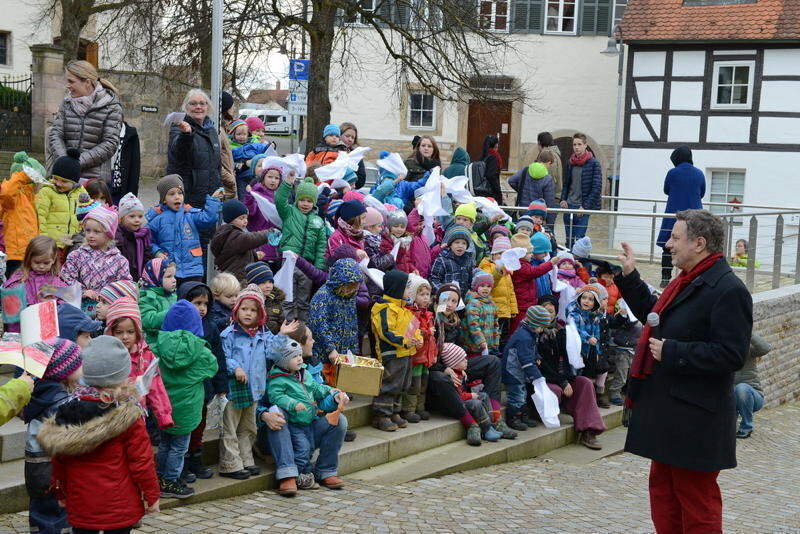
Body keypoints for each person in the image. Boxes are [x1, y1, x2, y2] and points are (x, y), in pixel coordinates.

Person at [615, 209, 752, 534]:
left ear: (699, 243)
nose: (668, 244)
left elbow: (732, 354)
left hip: (696, 420)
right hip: (670, 414)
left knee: (697, 504)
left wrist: (673, 352)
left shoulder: (728, 289)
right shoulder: (687, 280)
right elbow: (657, 318)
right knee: (664, 496)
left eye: (675, 238)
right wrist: (631, 277)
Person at [37, 336, 160, 533]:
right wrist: (151, 496)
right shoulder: (128, 416)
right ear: (123, 375)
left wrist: (60, 492)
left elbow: (59, 461)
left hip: (81, 503)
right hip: (120, 506)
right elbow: (142, 462)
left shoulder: (67, 410)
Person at [220, 285, 298, 479]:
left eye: (253, 310)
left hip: (255, 388)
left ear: (260, 313)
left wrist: (282, 335)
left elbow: (273, 354)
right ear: (237, 310)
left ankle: (246, 459)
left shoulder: (264, 334)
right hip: (235, 389)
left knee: (248, 427)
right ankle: (230, 463)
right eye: (244, 309)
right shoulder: (229, 334)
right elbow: (223, 356)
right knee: (230, 426)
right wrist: (235, 368)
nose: (248, 313)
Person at [267, 335, 349, 490]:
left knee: (310, 445)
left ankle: (322, 471)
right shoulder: (278, 378)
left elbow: (316, 389)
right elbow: (275, 396)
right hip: (295, 424)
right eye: (294, 357)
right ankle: (299, 474)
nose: (299, 359)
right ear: (283, 361)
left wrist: (332, 392)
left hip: (310, 420)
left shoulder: (305, 373)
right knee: (303, 448)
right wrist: (292, 404)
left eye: (299, 355)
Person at [154, 302, 219, 498]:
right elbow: (212, 368)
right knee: (179, 447)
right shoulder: (202, 353)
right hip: (188, 408)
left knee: (165, 444)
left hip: (164, 408)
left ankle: (160, 477)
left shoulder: (157, 348)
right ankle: (171, 481)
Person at [22, 339, 82, 533]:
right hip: (55, 469)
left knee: (40, 513)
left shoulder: (41, 394)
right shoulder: (62, 402)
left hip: (36, 467)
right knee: (58, 517)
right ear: (64, 370)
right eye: (78, 364)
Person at [535, 299, 606, 449]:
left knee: (585, 383)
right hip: (543, 379)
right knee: (555, 390)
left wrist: (580, 355)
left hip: (563, 376)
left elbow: (568, 359)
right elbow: (541, 366)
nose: (548, 314)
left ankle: (589, 430)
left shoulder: (562, 331)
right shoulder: (534, 333)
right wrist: (562, 382)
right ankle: (541, 413)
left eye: (551, 311)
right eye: (544, 310)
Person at [105, 297, 174, 433]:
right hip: (110, 419)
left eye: (130, 332)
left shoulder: (146, 356)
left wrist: (164, 416)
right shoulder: (105, 356)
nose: (125, 337)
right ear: (111, 332)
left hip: (138, 417)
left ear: (138, 331)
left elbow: (156, 387)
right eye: (119, 332)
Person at [47, 60, 122, 182]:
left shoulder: (111, 106)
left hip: (93, 180)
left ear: (87, 82)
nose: (67, 85)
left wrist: (77, 163)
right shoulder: (66, 103)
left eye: (71, 81)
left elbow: (110, 144)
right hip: (63, 176)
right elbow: (55, 134)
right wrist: (64, 161)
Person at [146, 174, 223, 283]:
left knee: (193, 292)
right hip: (169, 270)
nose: (177, 197)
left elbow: (208, 218)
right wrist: (157, 252)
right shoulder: (158, 219)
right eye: (171, 194)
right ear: (164, 199)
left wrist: (213, 200)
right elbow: (147, 239)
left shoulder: (190, 214)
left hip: (193, 269)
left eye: (180, 193)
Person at [371, 270, 422, 431]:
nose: (409, 291)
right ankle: (381, 415)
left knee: (403, 384)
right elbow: (386, 332)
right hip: (391, 353)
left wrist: (418, 339)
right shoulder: (384, 308)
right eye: (406, 287)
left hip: (406, 352)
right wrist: (405, 341)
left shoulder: (404, 309)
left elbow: (414, 328)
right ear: (397, 288)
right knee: (390, 384)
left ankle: (394, 411)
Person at [60, 204, 132, 317]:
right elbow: (66, 277)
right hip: (79, 307)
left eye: (96, 231)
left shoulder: (120, 261)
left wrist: (107, 296)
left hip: (108, 309)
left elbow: (124, 285)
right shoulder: (76, 255)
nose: (90, 235)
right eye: (88, 230)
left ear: (108, 234)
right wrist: (83, 292)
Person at [168, 88, 234, 210]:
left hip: (211, 198)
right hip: (187, 199)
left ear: (208, 107)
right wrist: (186, 134)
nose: (198, 107)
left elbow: (216, 166)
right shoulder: (179, 127)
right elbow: (179, 150)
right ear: (186, 107)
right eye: (193, 103)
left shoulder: (212, 130)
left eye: (202, 103)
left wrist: (219, 189)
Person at [307, 258, 363, 386]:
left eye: (355, 286)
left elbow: (352, 323)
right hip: (324, 354)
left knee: (341, 386)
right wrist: (330, 349)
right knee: (326, 385)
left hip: (343, 354)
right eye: (349, 286)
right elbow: (319, 325)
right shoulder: (323, 296)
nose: (353, 289)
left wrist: (353, 349)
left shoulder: (349, 296)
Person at [656, 146, 705, 288]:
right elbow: (702, 193)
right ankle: (693, 276)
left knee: (668, 245)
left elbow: (666, 190)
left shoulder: (673, 173)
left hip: (674, 214)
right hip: (694, 215)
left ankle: (665, 278)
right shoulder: (699, 173)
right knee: (694, 245)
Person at [441, 343, 503, 445]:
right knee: (476, 403)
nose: (466, 361)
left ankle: (493, 423)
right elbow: (458, 396)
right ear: (454, 365)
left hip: (465, 396)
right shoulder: (453, 378)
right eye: (463, 360)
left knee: (484, 396)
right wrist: (471, 396)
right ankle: (486, 429)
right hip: (462, 402)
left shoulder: (461, 372)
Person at [2, 236, 66, 333]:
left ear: (53, 259)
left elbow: (65, 306)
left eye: (46, 263)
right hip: (22, 331)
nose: (41, 266)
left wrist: (52, 304)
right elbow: (11, 311)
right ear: (29, 258)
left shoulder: (56, 282)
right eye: (37, 262)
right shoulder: (19, 281)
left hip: (49, 331)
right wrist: (28, 308)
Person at [502, 305, 550, 431]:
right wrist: (536, 376)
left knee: (523, 394)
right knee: (516, 395)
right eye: (542, 327)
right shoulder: (524, 336)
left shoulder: (530, 333)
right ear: (534, 323)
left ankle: (523, 415)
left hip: (519, 371)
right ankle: (513, 417)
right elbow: (525, 359)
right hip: (513, 371)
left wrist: (537, 356)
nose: (542, 330)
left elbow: (532, 349)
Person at [36, 149, 87, 255]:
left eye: (64, 181)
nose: (58, 183)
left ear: (74, 182)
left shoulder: (81, 193)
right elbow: (40, 218)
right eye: (55, 178)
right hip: (52, 245)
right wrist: (44, 241)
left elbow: (87, 215)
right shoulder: (46, 192)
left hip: (73, 244)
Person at [400, 275, 436, 422]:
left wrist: (434, 353)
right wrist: (427, 332)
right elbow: (411, 333)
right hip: (416, 355)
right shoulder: (411, 313)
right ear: (413, 295)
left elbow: (432, 338)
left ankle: (419, 408)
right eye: (422, 294)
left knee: (423, 384)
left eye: (428, 294)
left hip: (426, 356)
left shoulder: (428, 314)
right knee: (414, 384)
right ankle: (408, 409)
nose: (426, 298)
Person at [1, 152, 44, 277]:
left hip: (28, 253)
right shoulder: (13, 199)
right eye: (39, 180)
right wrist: (24, 175)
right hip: (15, 254)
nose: (41, 185)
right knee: (14, 285)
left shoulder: (31, 198)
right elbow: (6, 193)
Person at [560, 133, 602, 248]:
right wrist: (563, 199)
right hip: (569, 206)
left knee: (580, 241)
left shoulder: (594, 163)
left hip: (582, 208)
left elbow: (596, 188)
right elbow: (566, 184)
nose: (576, 147)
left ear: (585, 145)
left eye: (579, 144)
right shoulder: (570, 162)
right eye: (574, 145)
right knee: (569, 240)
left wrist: (584, 206)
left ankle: (581, 259)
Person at [210, 199, 269, 280]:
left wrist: (254, 255)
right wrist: (268, 234)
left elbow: (238, 255)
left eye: (246, 218)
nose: (245, 221)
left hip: (235, 276)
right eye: (241, 218)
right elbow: (250, 239)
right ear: (230, 219)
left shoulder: (233, 234)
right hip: (236, 279)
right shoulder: (232, 235)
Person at [243, 165, 284, 271]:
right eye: (270, 177)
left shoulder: (280, 198)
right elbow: (250, 212)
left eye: (276, 178)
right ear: (263, 178)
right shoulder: (256, 195)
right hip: (260, 247)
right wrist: (249, 197)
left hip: (276, 247)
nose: (273, 180)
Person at [734, 333, 770, 439]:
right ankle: (728, 425)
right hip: (731, 396)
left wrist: (748, 331)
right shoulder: (722, 353)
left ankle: (746, 428)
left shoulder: (748, 349)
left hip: (754, 397)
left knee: (741, 388)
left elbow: (765, 348)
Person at [139, 258, 179, 346]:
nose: (174, 280)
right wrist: (172, 312)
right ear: (155, 277)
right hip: (154, 343)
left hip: (171, 341)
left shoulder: (173, 295)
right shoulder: (147, 297)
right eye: (169, 276)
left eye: (174, 276)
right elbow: (148, 321)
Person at [115, 192, 153, 280]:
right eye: (132, 216)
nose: (137, 220)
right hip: (123, 278)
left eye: (140, 216)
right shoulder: (118, 237)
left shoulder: (144, 235)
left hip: (140, 277)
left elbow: (148, 257)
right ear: (121, 219)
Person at [339, 122, 368, 189]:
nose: (350, 139)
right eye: (347, 136)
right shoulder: (331, 151)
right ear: (339, 135)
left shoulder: (356, 155)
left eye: (352, 137)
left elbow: (361, 181)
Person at [480, 135, 503, 204]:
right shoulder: (494, 157)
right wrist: (499, 194)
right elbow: (492, 176)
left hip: (482, 192)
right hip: (491, 195)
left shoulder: (483, 156)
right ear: (496, 145)